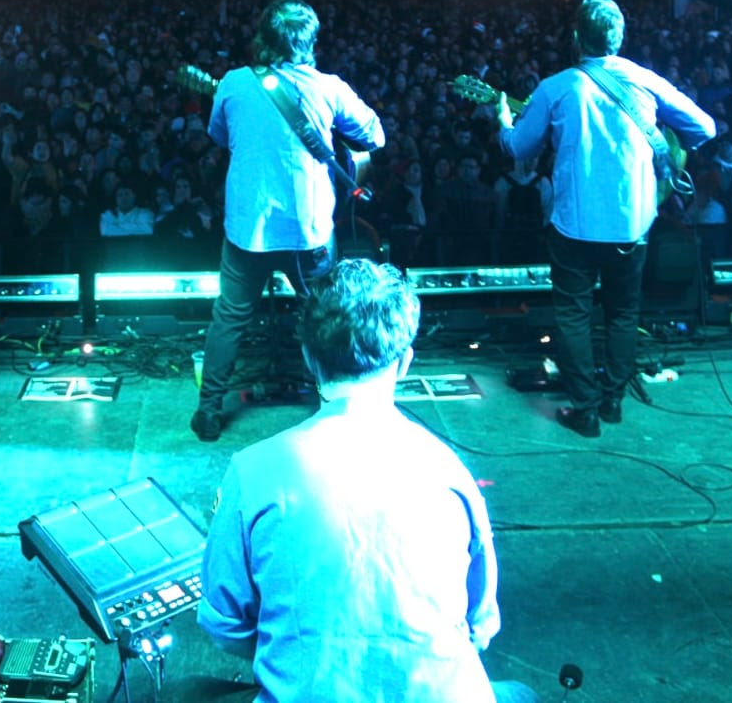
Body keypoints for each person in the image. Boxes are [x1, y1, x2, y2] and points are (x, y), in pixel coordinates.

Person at [199, 259, 535, 703]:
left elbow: (225, 626)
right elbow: (481, 626)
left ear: (308, 359)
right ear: (405, 363)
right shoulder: (449, 470)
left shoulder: (253, 469)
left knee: (194, 690)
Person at [497, 0, 716, 437]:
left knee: (574, 314)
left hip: (575, 225)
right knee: (622, 312)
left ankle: (585, 408)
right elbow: (705, 128)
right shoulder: (643, 79)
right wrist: (669, 153)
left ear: (576, 37)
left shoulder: (557, 87)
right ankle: (613, 400)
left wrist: (503, 120)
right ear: (619, 38)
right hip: (632, 223)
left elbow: (517, 150)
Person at [191, 0, 383, 441]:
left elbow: (219, 135)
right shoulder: (329, 86)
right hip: (307, 228)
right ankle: (334, 406)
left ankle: (208, 410)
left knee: (230, 316)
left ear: (263, 38)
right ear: (310, 41)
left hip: (248, 228)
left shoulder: (235, 83)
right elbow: (375, 134)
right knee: (321, 315)